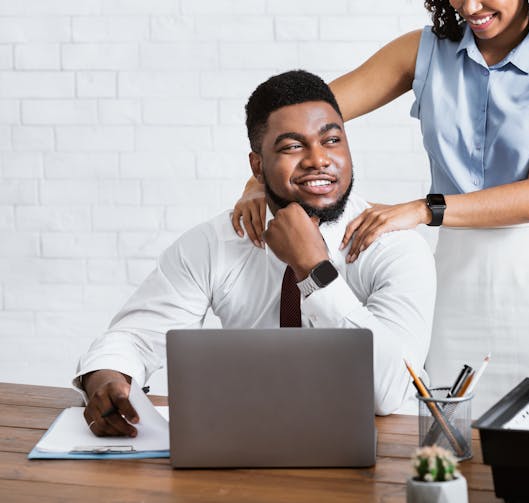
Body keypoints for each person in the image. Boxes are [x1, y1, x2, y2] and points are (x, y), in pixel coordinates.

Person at [231, 0, 529, 415]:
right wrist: (257, 181)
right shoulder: (423, 51)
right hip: (454, 273)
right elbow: (299, 118)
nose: (470, 7)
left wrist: (424, 209)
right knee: (443, 428)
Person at [75, 70, 436, 437]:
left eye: (331, 140)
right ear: (257, 166)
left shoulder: (397, 248)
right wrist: (107, 377)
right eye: (292, 146)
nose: (318, 160)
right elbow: (136, 336)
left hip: (382, 453)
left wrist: (313, 270)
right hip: (251, 445)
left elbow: (389, 393)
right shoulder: (215, 243)